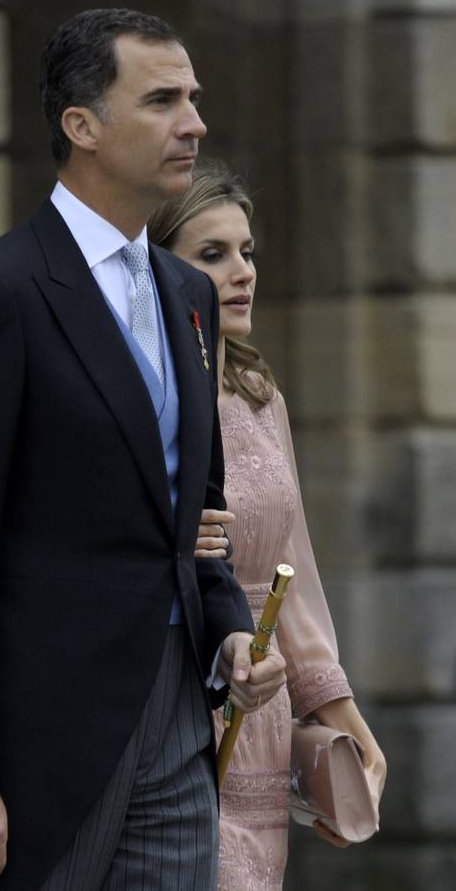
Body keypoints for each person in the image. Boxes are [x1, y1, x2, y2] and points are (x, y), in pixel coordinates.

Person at [0, 10, 287, 891]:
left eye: (194, 99)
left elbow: (193, 515)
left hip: (179, 726)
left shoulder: (188, 292)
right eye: (161, 100)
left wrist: (226, 634)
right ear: (82, 127)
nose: (194, 123)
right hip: (40, 748)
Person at [148, 159, 387, 890]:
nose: (240, 271)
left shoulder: (258, 396)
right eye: (211, 255)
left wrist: (345, 720)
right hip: (181, 698)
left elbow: (299, 578)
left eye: (246, 252)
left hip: (267, 711)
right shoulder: (147, 398)